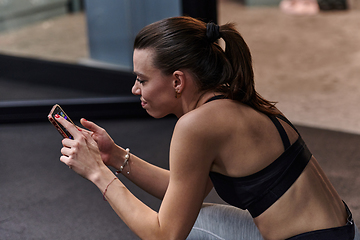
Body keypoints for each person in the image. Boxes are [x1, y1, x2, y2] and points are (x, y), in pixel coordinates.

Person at [55, 16, 359, 240]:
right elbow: (184, 189)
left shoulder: (196, 125)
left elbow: (166, 235)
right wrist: (114, 156)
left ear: (177, 81)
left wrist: (97, 171)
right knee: (196, 219)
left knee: (182, 228)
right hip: (340, 231)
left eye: (142, 80)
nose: (135, 89)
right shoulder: (228, 98)